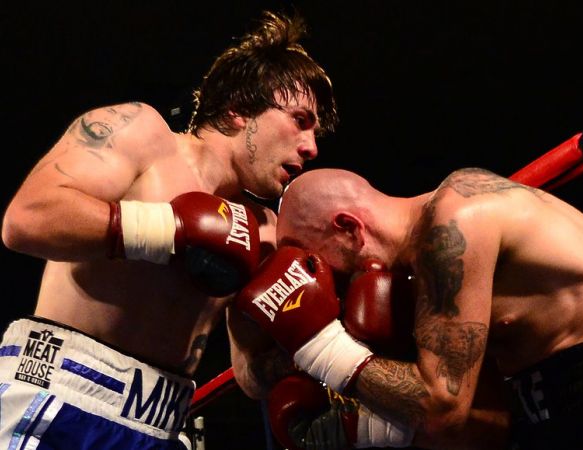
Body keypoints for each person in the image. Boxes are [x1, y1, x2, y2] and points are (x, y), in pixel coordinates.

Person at [0, 10, 337, 450]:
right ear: (239, 108)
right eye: (300, 120)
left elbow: (249, 377)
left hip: (161, 426)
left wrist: (308, 345)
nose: (311, 147)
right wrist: (170, 230)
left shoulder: (266, 232)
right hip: (60, 401)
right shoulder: (144, 136)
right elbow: (26, 219)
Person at [235, 167, 583, 450]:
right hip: (549, 411)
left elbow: (442, 408)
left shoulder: (452, 222)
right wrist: (359, 427)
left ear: (348, 228)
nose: (323, 282)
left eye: (314, 261)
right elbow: (470, 422)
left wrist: (318, 344)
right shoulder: (418, 282)